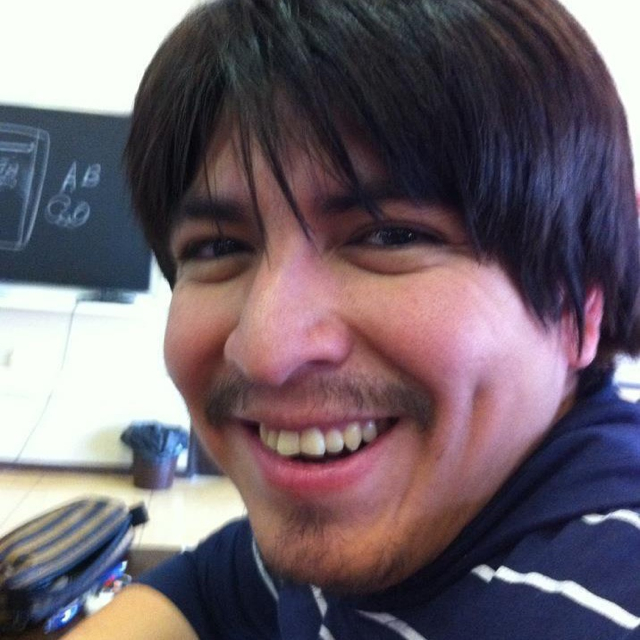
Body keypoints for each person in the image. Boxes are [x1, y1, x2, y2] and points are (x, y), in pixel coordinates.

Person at [65, 0, 640, 638]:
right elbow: (202, 590)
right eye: (218, 247)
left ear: (581, 304)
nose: (265, 349)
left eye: (391, 236)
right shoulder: (425, 504)